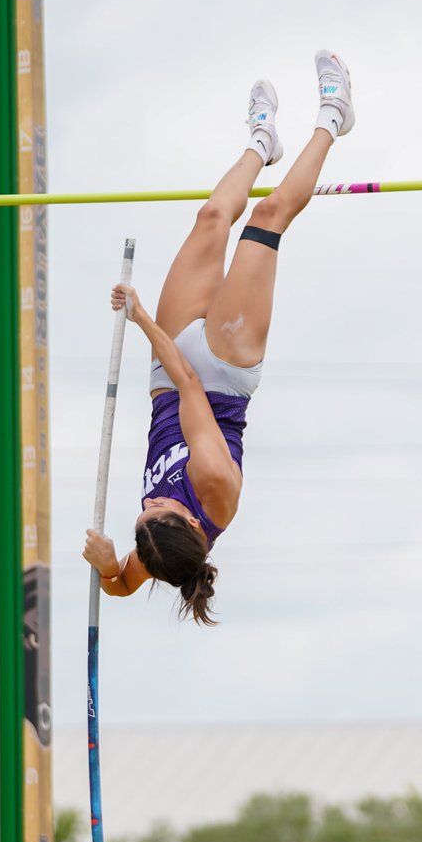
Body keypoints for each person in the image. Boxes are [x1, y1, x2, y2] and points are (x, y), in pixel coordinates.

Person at [82, 50, 355, 624]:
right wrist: (138, 318)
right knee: (267, 218)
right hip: (220, 374)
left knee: (210, 219)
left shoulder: (158, 550)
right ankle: (333, 116)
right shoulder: (213, 487)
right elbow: (190, 385)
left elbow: (122, 588)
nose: (149, 501)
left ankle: (263, 142)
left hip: (169, 375)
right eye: (157, 507)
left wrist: (109, 566)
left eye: (140, 517)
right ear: (186, 525)